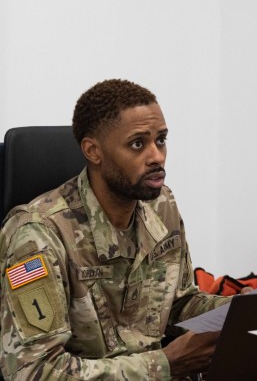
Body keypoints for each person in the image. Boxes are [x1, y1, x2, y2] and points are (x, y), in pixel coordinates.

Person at [0, 79, 228, 379]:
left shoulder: (161, 205)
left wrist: (250, 310)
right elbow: (35, 371)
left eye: (161, 140)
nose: (157, 156)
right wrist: (165, 365)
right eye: (138, 144)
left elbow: (178, 305)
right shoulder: (37, 234)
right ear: (93, 151)